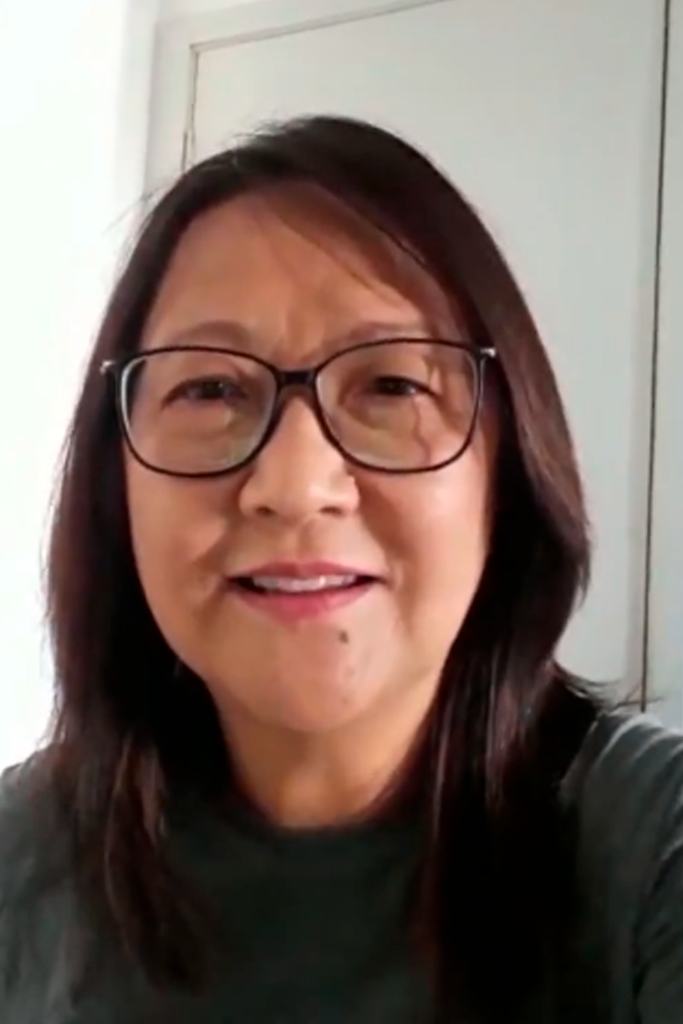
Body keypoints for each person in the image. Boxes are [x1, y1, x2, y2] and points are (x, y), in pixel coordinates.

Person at [0, 115, 681, 1024]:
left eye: (392, 386)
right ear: (112, 477)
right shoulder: (20, 860)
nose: (293, 487)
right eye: (210, 389)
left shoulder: (653, 853)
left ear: (508, 468)